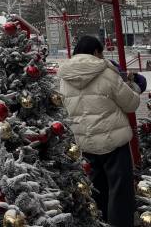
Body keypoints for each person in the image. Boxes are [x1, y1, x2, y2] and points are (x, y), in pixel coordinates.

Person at [58, 35, 140, 227]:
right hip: (114, 142)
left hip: (84, 143)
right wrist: (135, 88)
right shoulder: (106, 72)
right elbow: (131, 104)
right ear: (96, 52)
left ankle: (100, 222)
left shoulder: (64, 77)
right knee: (120, 191)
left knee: (96, 189)